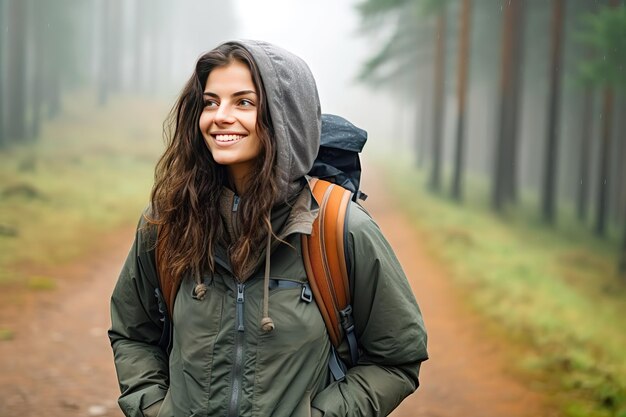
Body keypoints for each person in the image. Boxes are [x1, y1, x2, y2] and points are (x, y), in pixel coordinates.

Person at [108, 39, 428, 417]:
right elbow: (133, 333)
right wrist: (155, 409)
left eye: (243, 102)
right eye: (211, 102)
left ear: (285, 116)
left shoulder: (339, 227)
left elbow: (396, 357)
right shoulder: (169, 219)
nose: (220, 116)